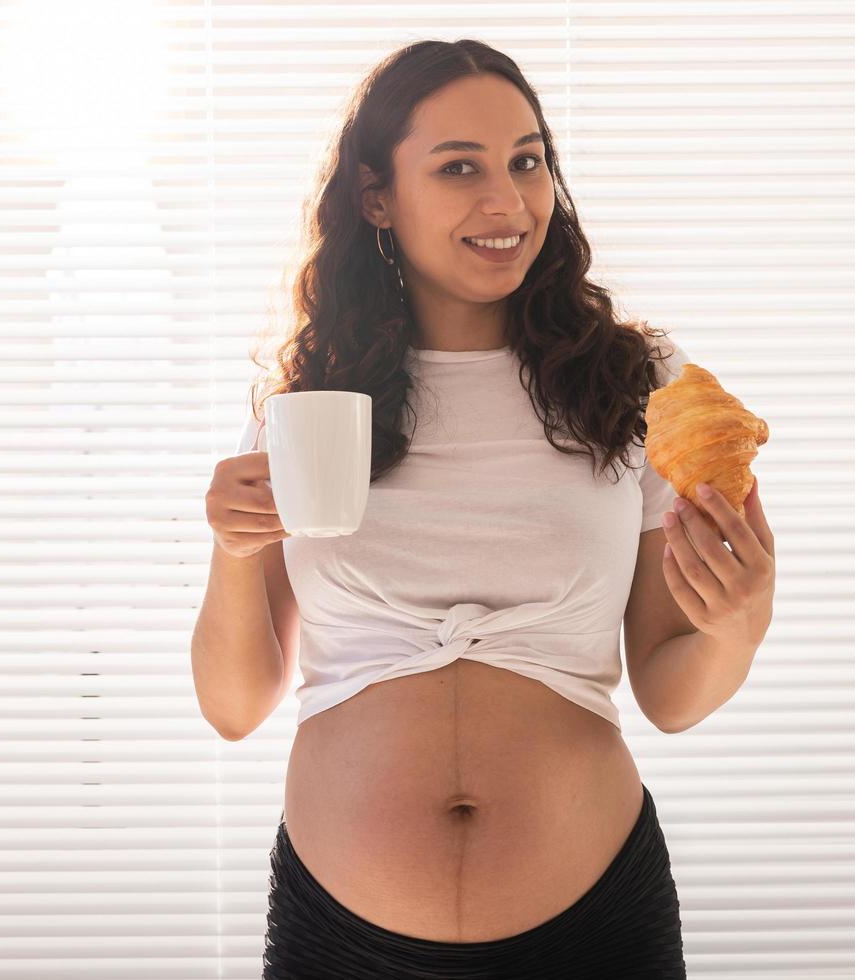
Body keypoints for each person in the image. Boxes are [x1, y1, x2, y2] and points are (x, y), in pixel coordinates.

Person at [195, 37, 697, 979]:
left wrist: (744, 613)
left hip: (595, 927)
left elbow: (671, 688)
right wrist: (230, 550)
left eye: (527, 160)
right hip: (341, 935)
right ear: (377, 197)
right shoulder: (310, 401)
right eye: (459, 167)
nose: (506, 201)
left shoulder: (631, 384)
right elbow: (233, 707)